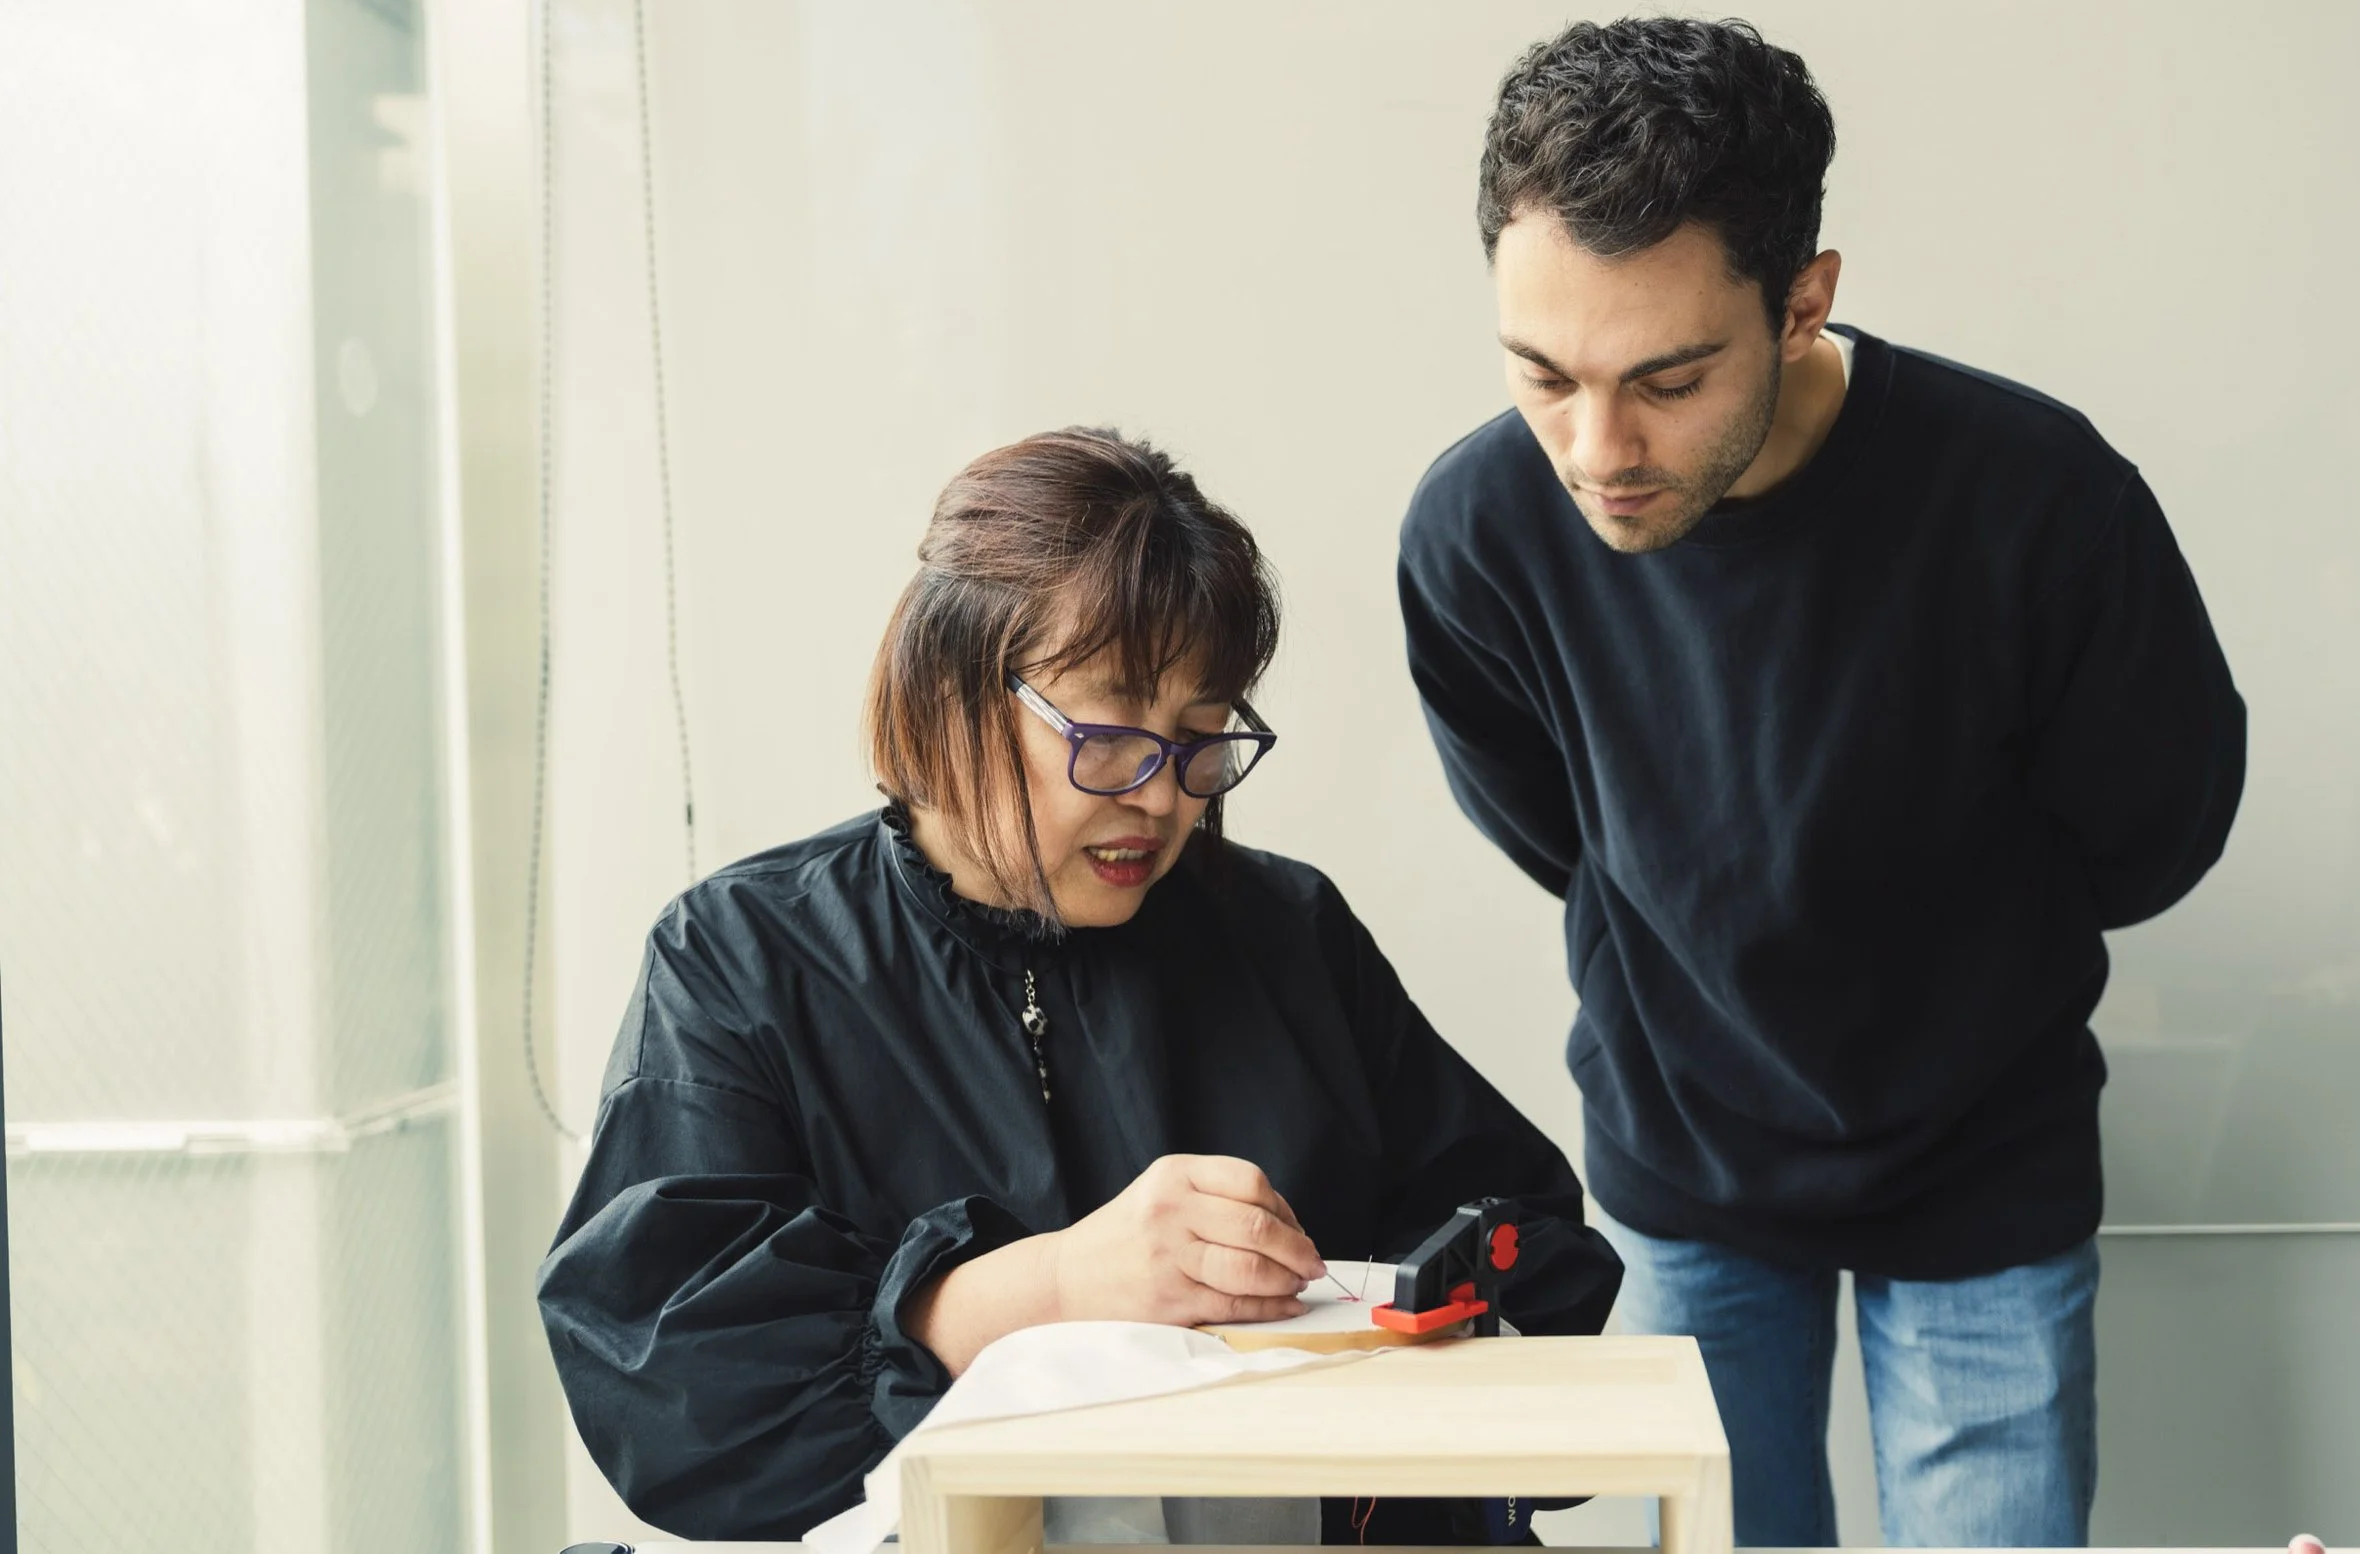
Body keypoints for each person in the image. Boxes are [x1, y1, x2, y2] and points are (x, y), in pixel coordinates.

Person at [1398, 17, 2246, 1545]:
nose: (1597, 449)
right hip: (1685, 1157)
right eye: (1543, 374)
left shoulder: (2038, 499)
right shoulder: (1477, 531)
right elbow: (1547, 823)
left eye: (1665, 378)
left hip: (1988, 1160)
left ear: (1803, 303)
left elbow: (2157, 822)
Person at [540, 427, 1622, 1543]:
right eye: (1107, 733)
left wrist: (1380, 1337)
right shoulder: (742, 958)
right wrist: (1048, 1290)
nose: (1160, 797)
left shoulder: (1283, 933)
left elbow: (1521, 1240)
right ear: (949, 688)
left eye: (1202, 739)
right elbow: (670, 1379)